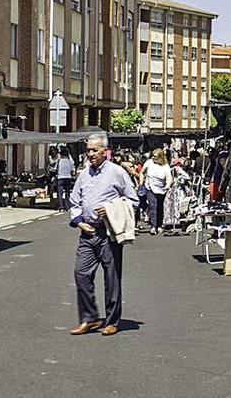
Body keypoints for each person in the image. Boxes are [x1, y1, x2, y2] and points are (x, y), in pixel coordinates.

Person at [68, 134, 139, 337]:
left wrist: (110, 208)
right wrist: (79, 221)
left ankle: (112, 320)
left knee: (112, 277)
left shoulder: (117, 173)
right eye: (88, 150)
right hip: (87, 232)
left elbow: (133, 201)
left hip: (108, 232)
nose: (90, 154)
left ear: (104, 151)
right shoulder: (84, 174)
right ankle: (89, 317)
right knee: (81, 273)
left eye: (94, 150)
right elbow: (74, 202)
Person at [140, 148, 173, 235]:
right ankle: (153, 226)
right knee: (153, 205)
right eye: (153, 156)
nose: (153, 158)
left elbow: (169, 177)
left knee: (160, 207)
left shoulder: (165, 166)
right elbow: (142, 172)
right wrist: (141, 183)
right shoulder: (149, 163)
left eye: (155, 156)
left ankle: (159, 225)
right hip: (150, 188)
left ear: (160, 157)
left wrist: (167, 185)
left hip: (161, 189)